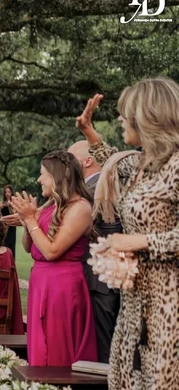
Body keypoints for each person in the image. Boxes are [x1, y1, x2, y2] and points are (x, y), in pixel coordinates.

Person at [80, 82, 179, 390]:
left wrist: (139, 242)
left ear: (148, 116)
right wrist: (89, 133)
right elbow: (113, 163)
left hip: (167, 308)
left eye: (126, 112)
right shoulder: (142, 164)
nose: (120, 118)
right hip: (134, 304)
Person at [9, 150, 97, 367]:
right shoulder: (51, 206)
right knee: (40, 344)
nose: (39, 179)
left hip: (62, 285)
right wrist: (27, 220)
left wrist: (30, 220)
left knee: (58, 345)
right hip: (41, 281)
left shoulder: (81, 208)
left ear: (57, 176)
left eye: (42, 174)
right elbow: (30, 248)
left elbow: (52, 251)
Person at [67, 135, 122, 364]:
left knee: (102, 344)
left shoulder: (98, 187)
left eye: (70, 161)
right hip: (96, 277)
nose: (66, 168)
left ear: (87, 162)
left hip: (99, 279)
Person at [0, 185, 17, 258]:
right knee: (3, 245)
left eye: (9, 192)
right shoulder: (2, 202)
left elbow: (13, 214)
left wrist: (9, 206)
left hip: (11, 226)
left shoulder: (14, 203)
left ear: (12, 193)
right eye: (6, 192)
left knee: (10, 245)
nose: (7, 193)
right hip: (3, 227)